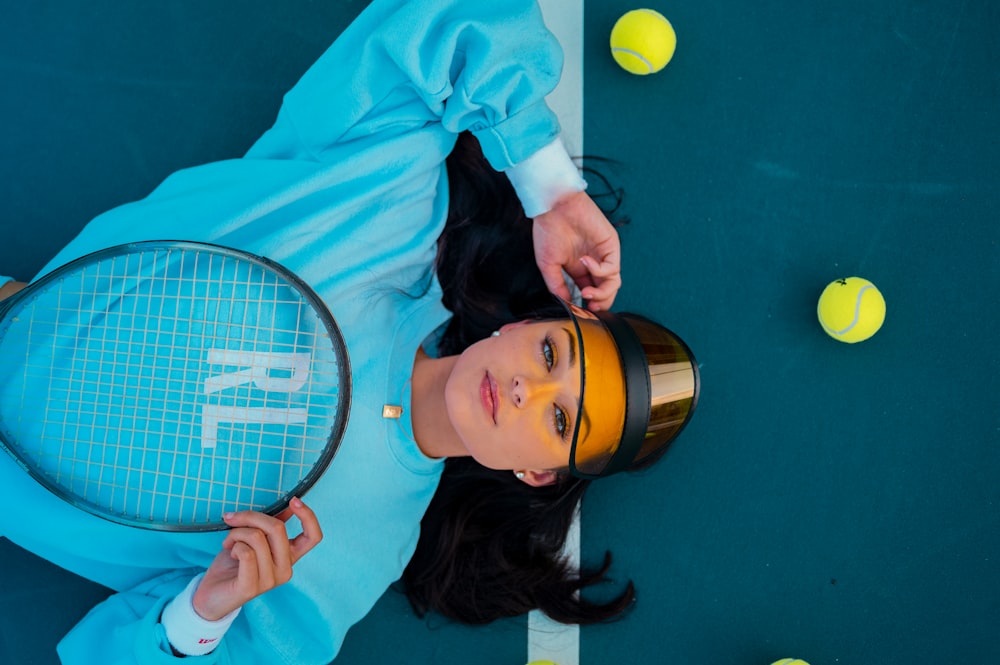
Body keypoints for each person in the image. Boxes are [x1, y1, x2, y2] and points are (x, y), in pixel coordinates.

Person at [0, 0, 699, 663]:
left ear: (536, 472)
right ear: (524, 324)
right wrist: (551, 190)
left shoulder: (351, 553)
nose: (524, 385)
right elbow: (453, 17)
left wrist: (201, 615)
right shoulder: (382, 212)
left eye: (557, 415)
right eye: (551, 352)